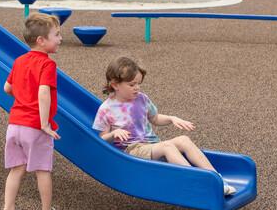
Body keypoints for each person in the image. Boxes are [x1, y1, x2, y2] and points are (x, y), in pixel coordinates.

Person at [92, 56, 237, 196]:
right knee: (167, 146)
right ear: (115, 84)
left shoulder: (141, 99)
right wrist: (114, 133)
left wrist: (172, 118)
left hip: (152, 145)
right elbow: (101, 140)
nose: (137, 88)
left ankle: (218, 180)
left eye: (139, 83)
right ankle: (198, 182)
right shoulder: (107, 109)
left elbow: (155, 118)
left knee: (183, 140)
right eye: (131, 84)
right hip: (132, 152)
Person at [0, 13, 62, 210]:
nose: (60, 39)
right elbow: (44, 92)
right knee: (42, 169)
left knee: (16, 169)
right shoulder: (47, 64)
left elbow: (7, 88)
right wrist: (44, 123)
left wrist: (23, 97)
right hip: (35, 126)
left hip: (14, 125)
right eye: (56, 34)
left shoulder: (19, 61)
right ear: (41, 40)